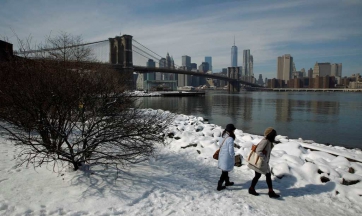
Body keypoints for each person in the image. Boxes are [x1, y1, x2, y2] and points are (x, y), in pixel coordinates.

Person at [248, 127, 280, 198]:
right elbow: (258, 151)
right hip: (261, 163)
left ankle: (253, 189)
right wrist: (265, 159)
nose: (275, 136)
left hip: (263, 163)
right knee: (265, 176)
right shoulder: (265, 141)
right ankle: (269, 191)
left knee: (261, 176)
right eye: (274, 135)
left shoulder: (268, 141)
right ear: (270, 134)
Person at [217, 124, 236, 191]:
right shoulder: (230, 138)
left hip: (222, 156)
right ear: (231, 130)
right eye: (234, 130)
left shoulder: (223, 136)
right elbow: (231, 150)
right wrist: (233, 156)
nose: (234, 131)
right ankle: (219, 185)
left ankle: (227, 182)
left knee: (225, 170)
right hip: (227, 158)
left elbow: (219, 145)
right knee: (224, 172)